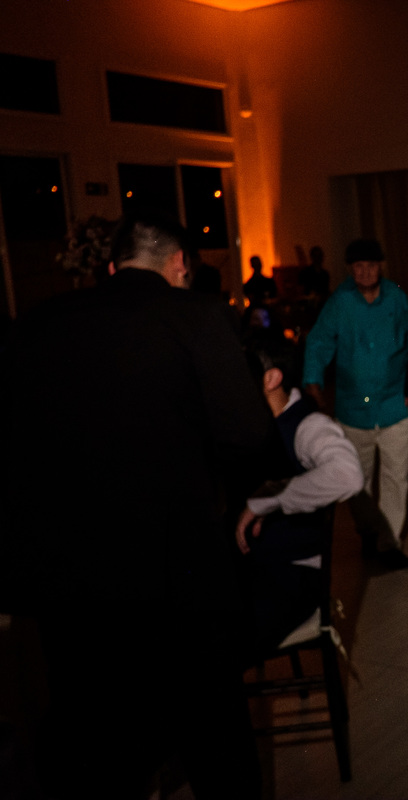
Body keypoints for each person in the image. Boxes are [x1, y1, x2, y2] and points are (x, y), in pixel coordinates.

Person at [1, 209, 274, 798]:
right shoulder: (197, 315)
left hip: (68, 584)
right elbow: (249, 439)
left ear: (110, 265)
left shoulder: (35, 322)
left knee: (95, 747)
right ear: (179, 264)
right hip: (176, 577)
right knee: (215, 742)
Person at [238, 336, 363, 660]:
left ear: (271, 378)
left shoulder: (308, 424)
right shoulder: (261, 423)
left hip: (294, 576)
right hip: (266, 566)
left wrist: (267, 500)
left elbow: (348, 474)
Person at [303, 237, 408, 571]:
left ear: (380, 266)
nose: (366, 272)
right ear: (349, 269)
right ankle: (369, 533)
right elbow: (319, 342)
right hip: (353, 410)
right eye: (358, 266)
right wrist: (313, 382)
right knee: (357, 480)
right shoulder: (339, 302)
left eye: (371, 265)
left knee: (396, 479)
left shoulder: (396, 298)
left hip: (395, 405)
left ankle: (389, 544)